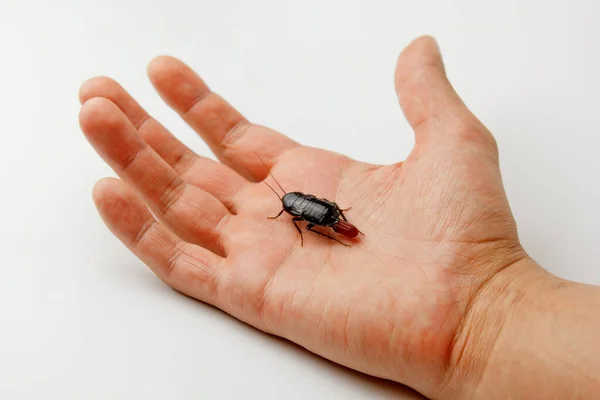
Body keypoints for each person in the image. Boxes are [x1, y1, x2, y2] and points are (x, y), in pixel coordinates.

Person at [77, 36, 600, 399]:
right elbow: (298, 211)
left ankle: (341, 227)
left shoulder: (297, 212)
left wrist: (485, 314)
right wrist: (492, 319)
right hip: (322, 211)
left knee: (329, 222)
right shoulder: (295, 208)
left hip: (322, 213)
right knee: (326, 221)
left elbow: (299, 213)